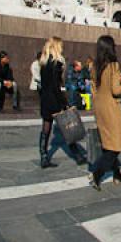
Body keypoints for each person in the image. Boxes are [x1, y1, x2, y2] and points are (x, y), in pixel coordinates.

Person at [38, 36, 86, 168]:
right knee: (67, 128)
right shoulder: (57, 63)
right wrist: (64, 103)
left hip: (45, 99)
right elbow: (56, 86)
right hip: (55, 99)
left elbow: (44, 84)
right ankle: (78, 156)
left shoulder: (43, 62)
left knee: (46, 128)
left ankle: (43, 156)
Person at [89, 35, 121, 190]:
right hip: (111, 107)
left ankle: (117, 174)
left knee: (107, 142)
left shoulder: (95, 66)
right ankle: (97, 173)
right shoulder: (113, 66)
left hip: (99, 107)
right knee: (115, 146)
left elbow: (93, 87)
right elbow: (116, 90)